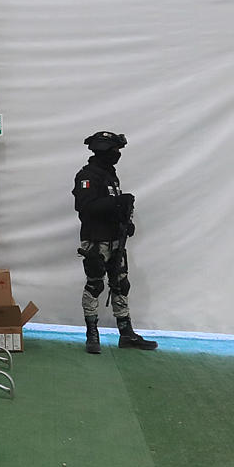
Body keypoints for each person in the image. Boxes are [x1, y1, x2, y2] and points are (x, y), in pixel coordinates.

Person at [74, 131, 155, 353]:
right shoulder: (87, 176)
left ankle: (126, 333)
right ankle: (92, 334)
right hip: (95, 240)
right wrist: (117, 202)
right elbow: (86, 207)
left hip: (114, 240)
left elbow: (113, 207)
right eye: (114, 151)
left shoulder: (110, 175)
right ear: (102, 151)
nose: (117, 155)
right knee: (95, 284)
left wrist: (124, 221)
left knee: (121, 284)